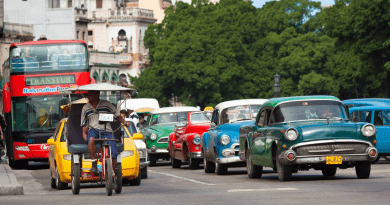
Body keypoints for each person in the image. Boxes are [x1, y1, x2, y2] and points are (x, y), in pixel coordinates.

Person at [81, 91, 130, 174]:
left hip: (107, 131)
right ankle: (93, 164)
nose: (88, 96)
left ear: (97, 95)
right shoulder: (85, 107)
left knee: (114, 153)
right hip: (93, 130)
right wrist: (84, 133)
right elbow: (84, 123)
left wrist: (125, 122)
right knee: (91, 140)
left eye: (90, 94)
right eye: (87, 95)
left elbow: (118, 115)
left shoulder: (107, 104)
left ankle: (111, 171)